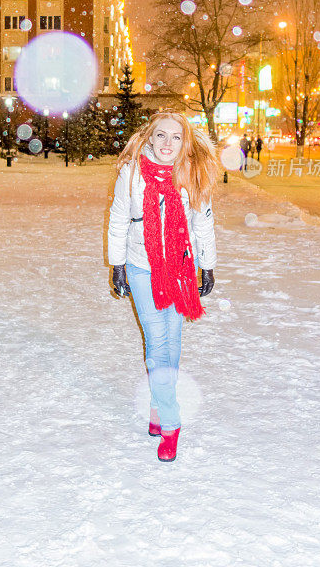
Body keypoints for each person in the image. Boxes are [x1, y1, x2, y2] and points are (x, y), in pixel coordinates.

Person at [108, 112, 218, 463]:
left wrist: (208, 266)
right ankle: (171, 424)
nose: (168, 144)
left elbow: (203, 224)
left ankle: (157, 404)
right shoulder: (132, 175)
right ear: (149, 138)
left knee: (172, 341)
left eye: (175, 137)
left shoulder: (191, 174)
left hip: (181, 268)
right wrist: (118, 264)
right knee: (157, 344)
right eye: (161, 136)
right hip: (142, 267)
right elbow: (118, 220)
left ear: (185, 141)